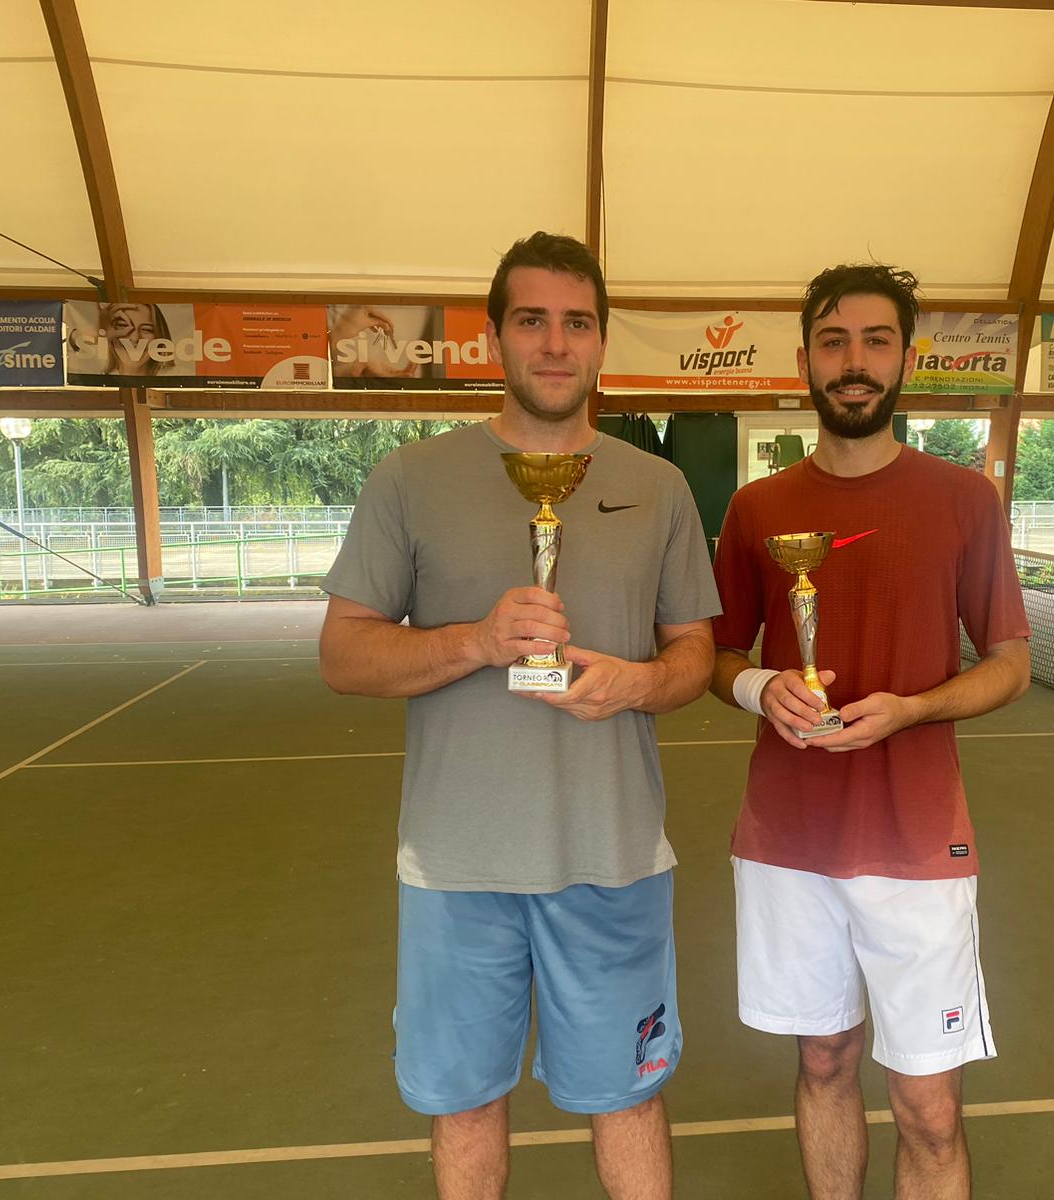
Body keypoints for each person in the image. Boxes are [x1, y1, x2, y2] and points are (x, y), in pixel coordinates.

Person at [319, 231, 719, 1200]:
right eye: (532, 320)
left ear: (601, 340)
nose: (554, 343)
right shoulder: (409, 478)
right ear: (493, 335)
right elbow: (343, 654)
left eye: (576, 323)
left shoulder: (659, 487)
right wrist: (475, 641)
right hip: (457, 867)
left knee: (629, 1100)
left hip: (614, 858)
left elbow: (695, 657)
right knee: (464, 1106)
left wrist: (635, 684)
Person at [709, 263, 1032, 1199]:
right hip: (789, 840)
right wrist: (762, 688)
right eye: (834, 341)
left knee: (929, 1108)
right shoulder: (757, 509)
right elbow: (716, 656)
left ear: (906, 359)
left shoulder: (965, 499)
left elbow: (1010, 663)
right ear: (805, 361)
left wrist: (916, 708)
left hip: (918, 842)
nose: (854, 362)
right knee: (823, 1061)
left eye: (876, 341)